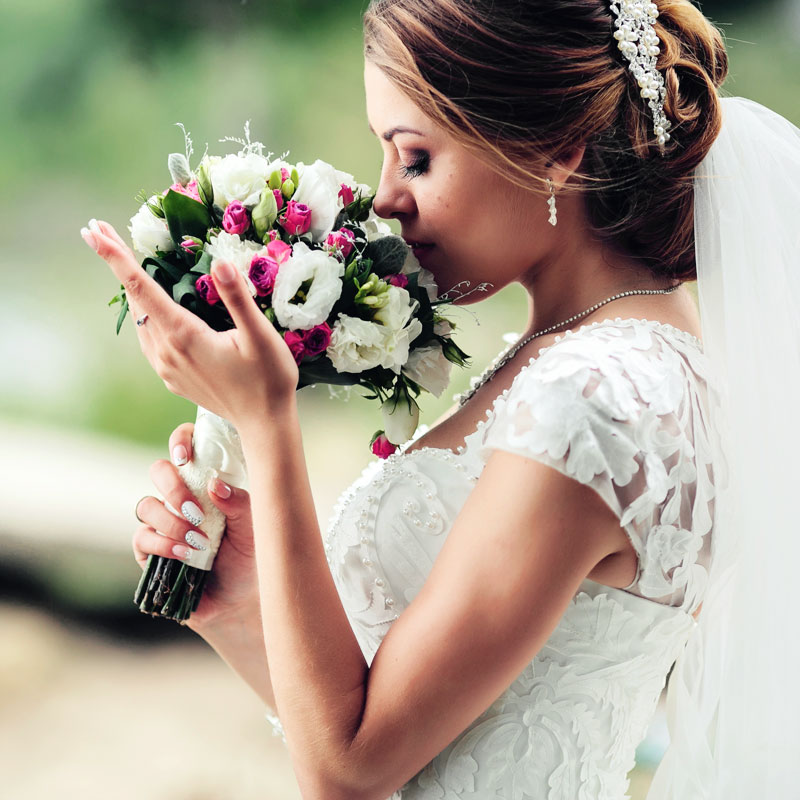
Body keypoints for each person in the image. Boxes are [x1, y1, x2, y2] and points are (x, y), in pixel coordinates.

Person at [80, 0, 800, 798]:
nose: (386, 200)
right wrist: (244, 608)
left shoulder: (598, 400)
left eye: (415, 157)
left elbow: (350, 769)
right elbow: (402, 737)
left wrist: (267, 421)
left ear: (557, 150)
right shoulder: (618, 363)